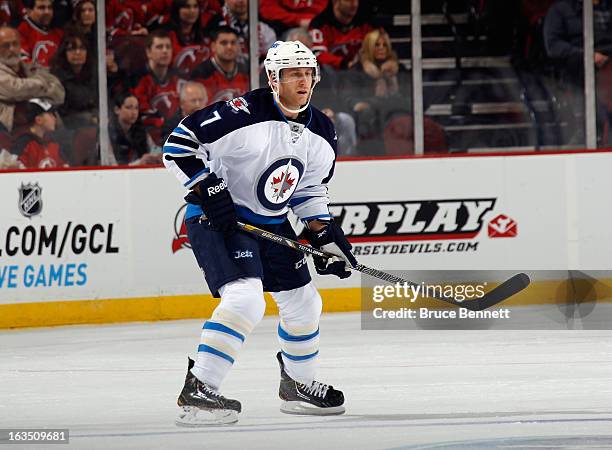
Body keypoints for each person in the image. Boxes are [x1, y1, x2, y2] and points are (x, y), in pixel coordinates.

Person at [163, 40, 355, 425]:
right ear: (274, 78)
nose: (303, 81)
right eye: (293, 73)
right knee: (245, 300)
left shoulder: (323, 129)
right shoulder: (242, 113)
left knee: (305, 303)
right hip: (218, 219)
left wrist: (323, 233)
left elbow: (308, 189)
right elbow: (179, 146)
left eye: (308, 72)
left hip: (270, 222)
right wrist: (208, 186)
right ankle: (199, 389)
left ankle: (298, 385)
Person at [0, 25, 65, 133]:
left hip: (48, 129)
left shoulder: (31, 67)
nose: (12, 49)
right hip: (13, 132)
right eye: (5, 46)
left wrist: (31, 88)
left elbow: (59, 93)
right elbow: (15, 90)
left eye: (15, 44)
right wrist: (43, 85)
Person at [50, 31, 98, 129]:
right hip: (70, 130)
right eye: (72, 49)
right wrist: (89, 118)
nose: (78, 53)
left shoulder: (93, 74)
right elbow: (61, 113)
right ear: (64, 52)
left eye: (82, 48)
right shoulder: (57, 78)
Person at [308, 0, 374, 70]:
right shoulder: (319, 24)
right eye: (349, 1)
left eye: (356, 0)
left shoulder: (365, 23)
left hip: (362, 73)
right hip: (331, 75)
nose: (354, 4)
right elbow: (318, 54)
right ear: (335, 1)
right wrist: (343, 64)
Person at [190, 26, 249, 105]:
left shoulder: (247, 71)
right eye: (224, 43)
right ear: (213, 46)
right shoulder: (200, 73)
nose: (229, 47)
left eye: (233, 43)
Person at [11, 97, 67, 168]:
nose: (54, 118)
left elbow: (63, 166)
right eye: (50, 114)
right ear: (39, 120)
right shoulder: (22, 144)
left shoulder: (53, 141)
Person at [109, 92, 160, 164]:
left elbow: (154, 150)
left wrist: (158, 155)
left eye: (136, 108)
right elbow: (111, 165)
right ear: (117, 110)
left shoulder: (141, 130)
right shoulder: (108, 133)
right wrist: (139, 163)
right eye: (129, 107)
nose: (134, 112)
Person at [17, 0, 64, 67]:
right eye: (41, 8)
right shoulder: (20, 32)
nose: (47, 12)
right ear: (29, 11)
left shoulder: (59, 33)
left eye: (50, 8)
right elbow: (23, 64)